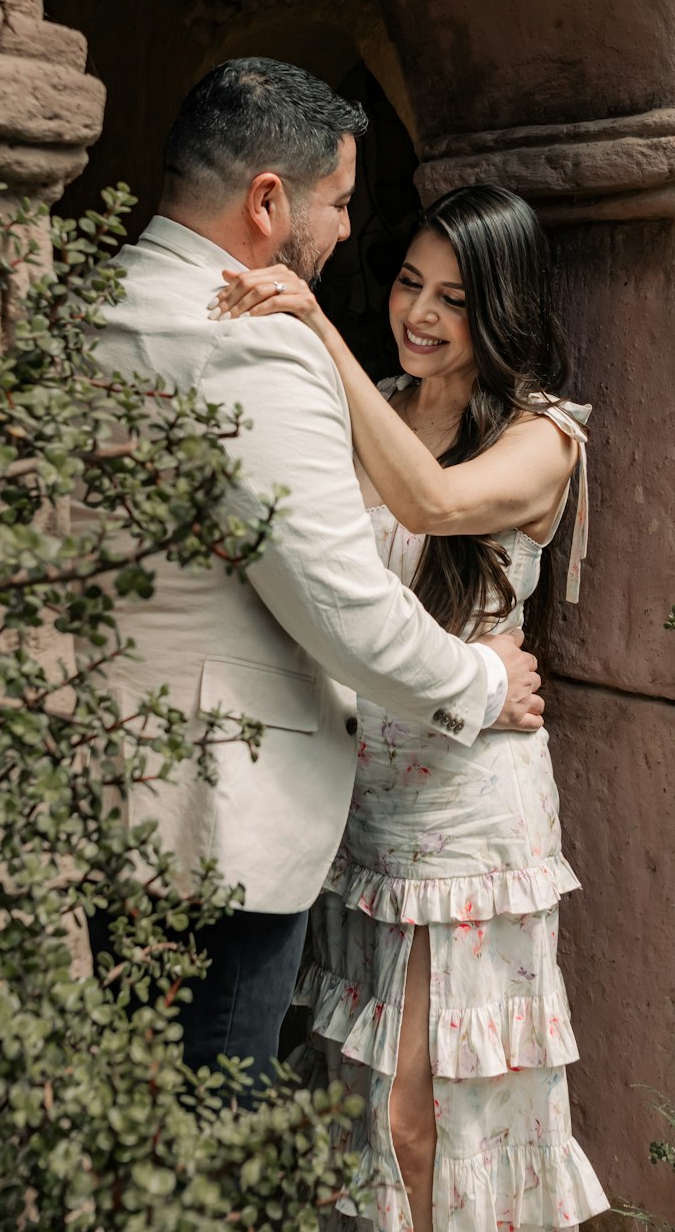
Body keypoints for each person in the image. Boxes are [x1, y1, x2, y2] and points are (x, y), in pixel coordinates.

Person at [80, 60, 547, 1090]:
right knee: (211, 1125)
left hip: (106, 789)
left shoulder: (96, 301)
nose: (343, 233)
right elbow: (336, 597)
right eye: (337, 204)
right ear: (266, 202)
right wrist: (481, 682)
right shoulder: (252, 342)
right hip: (224, 820)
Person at [208, 184, 610, 1229]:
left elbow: (430, 503)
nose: (420, 315)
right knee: (353, 1103)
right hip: (359, 799)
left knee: (416, 1115)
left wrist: (314, 328)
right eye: (406, 284)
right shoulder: (375, 398)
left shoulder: (546, 435)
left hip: (471, 823)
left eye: (455, 299)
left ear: (504, 309)